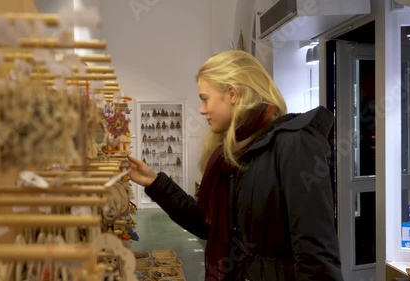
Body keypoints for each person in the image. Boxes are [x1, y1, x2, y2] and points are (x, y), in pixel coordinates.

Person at [127, 50, 343, 281]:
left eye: (204, 98)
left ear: (232, 94)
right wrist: (155, 183)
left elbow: (316, 257)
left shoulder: (294, 143)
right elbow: (209, 226)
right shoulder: (236, 154)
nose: (202, 110)